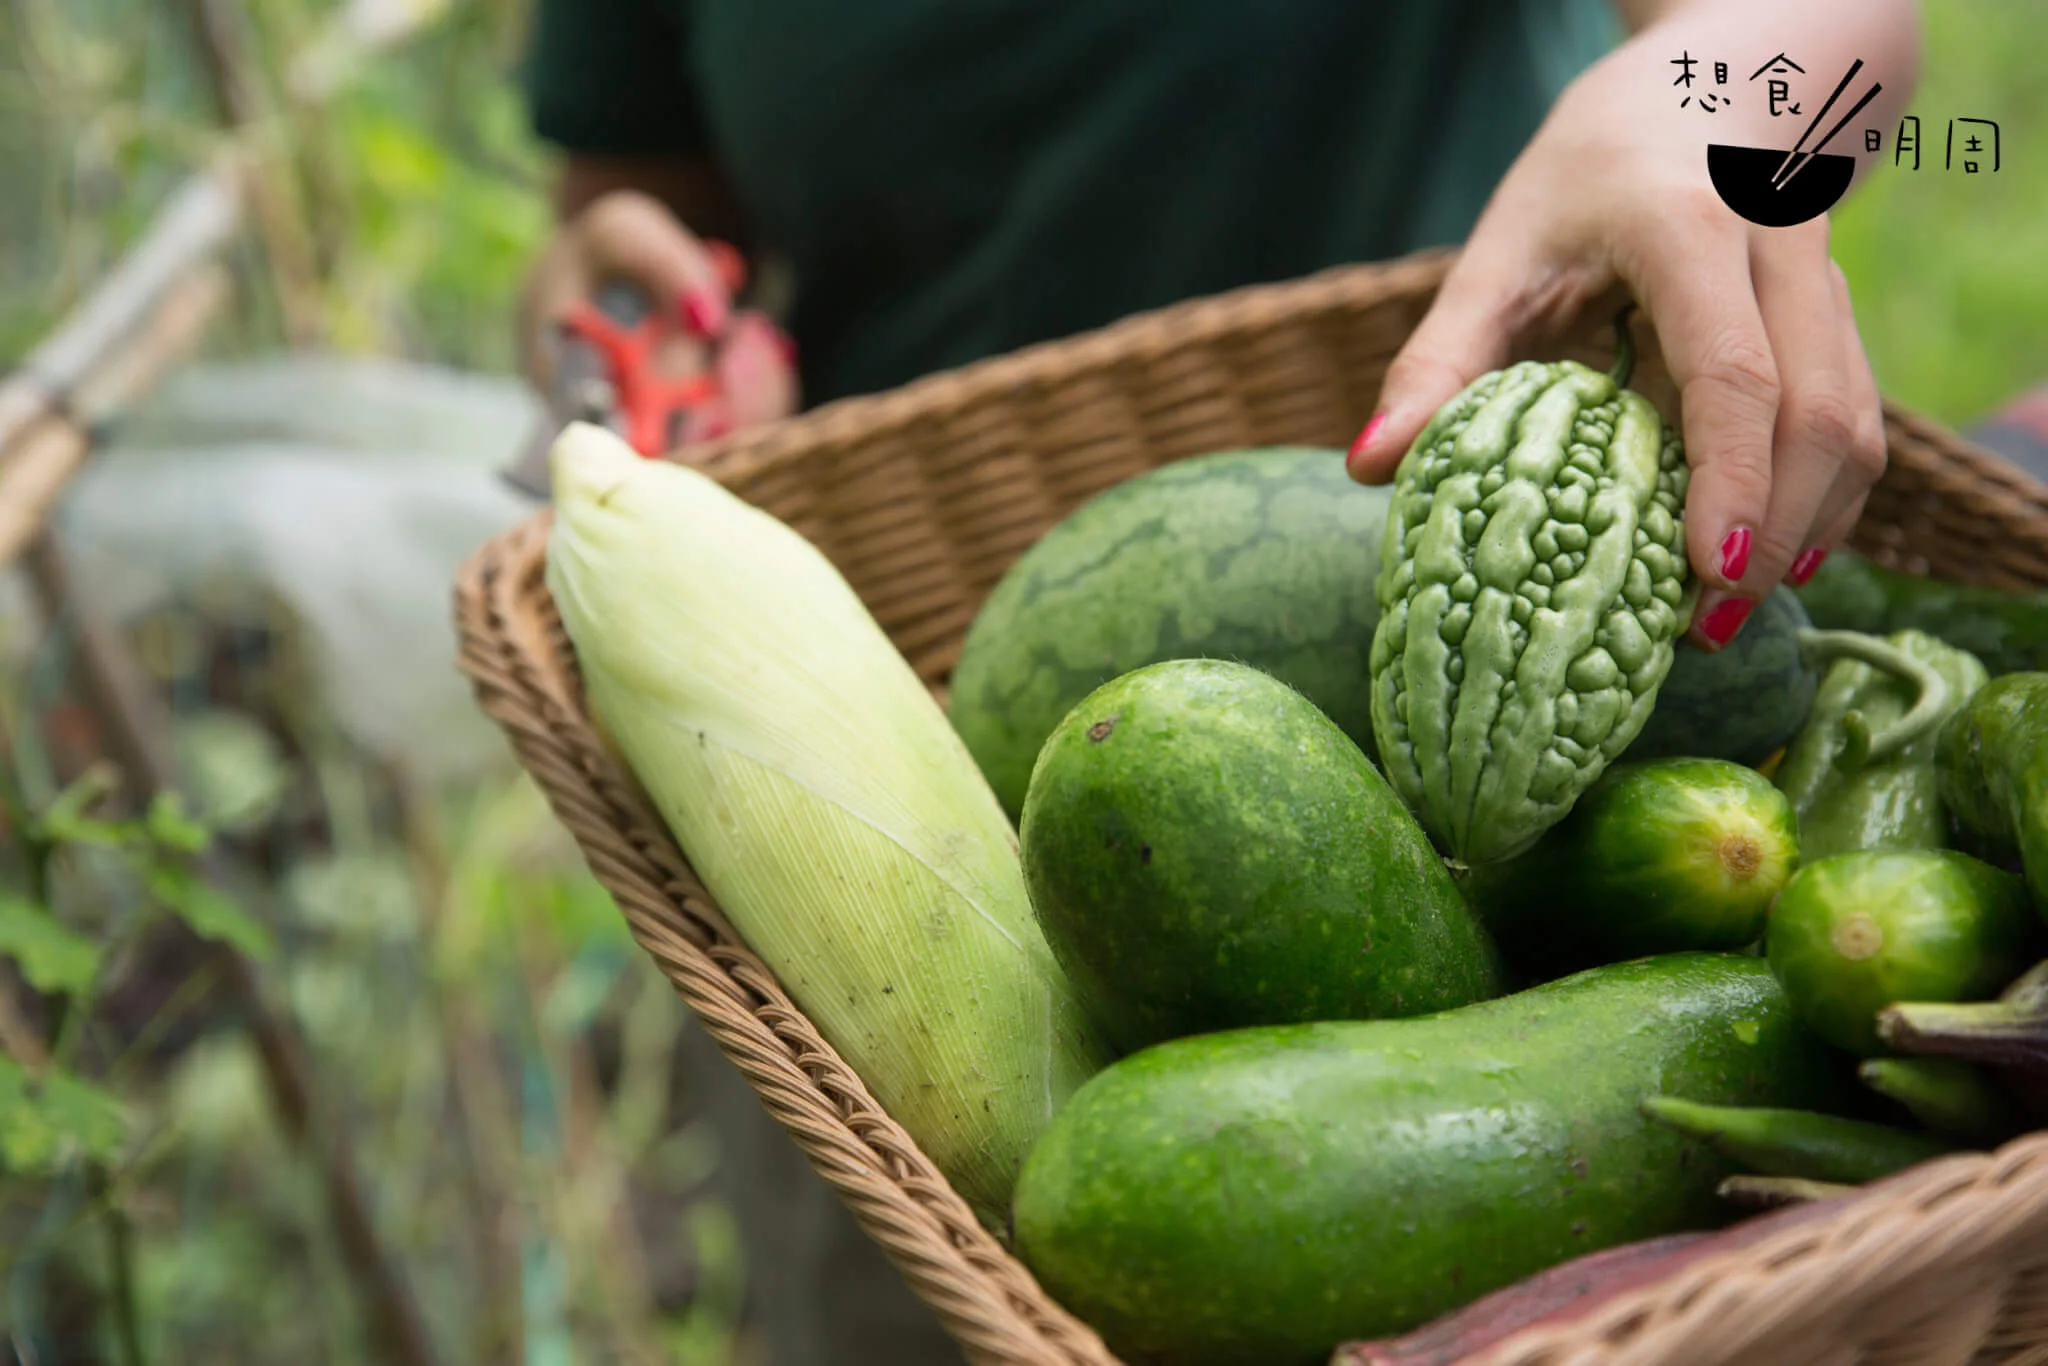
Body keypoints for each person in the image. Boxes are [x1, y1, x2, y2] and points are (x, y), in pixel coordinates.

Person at [516, 1, 1921, 1360]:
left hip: (1406, 461)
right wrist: (635, 296)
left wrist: (1703, 97)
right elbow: (628, 194)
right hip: (892, 727)